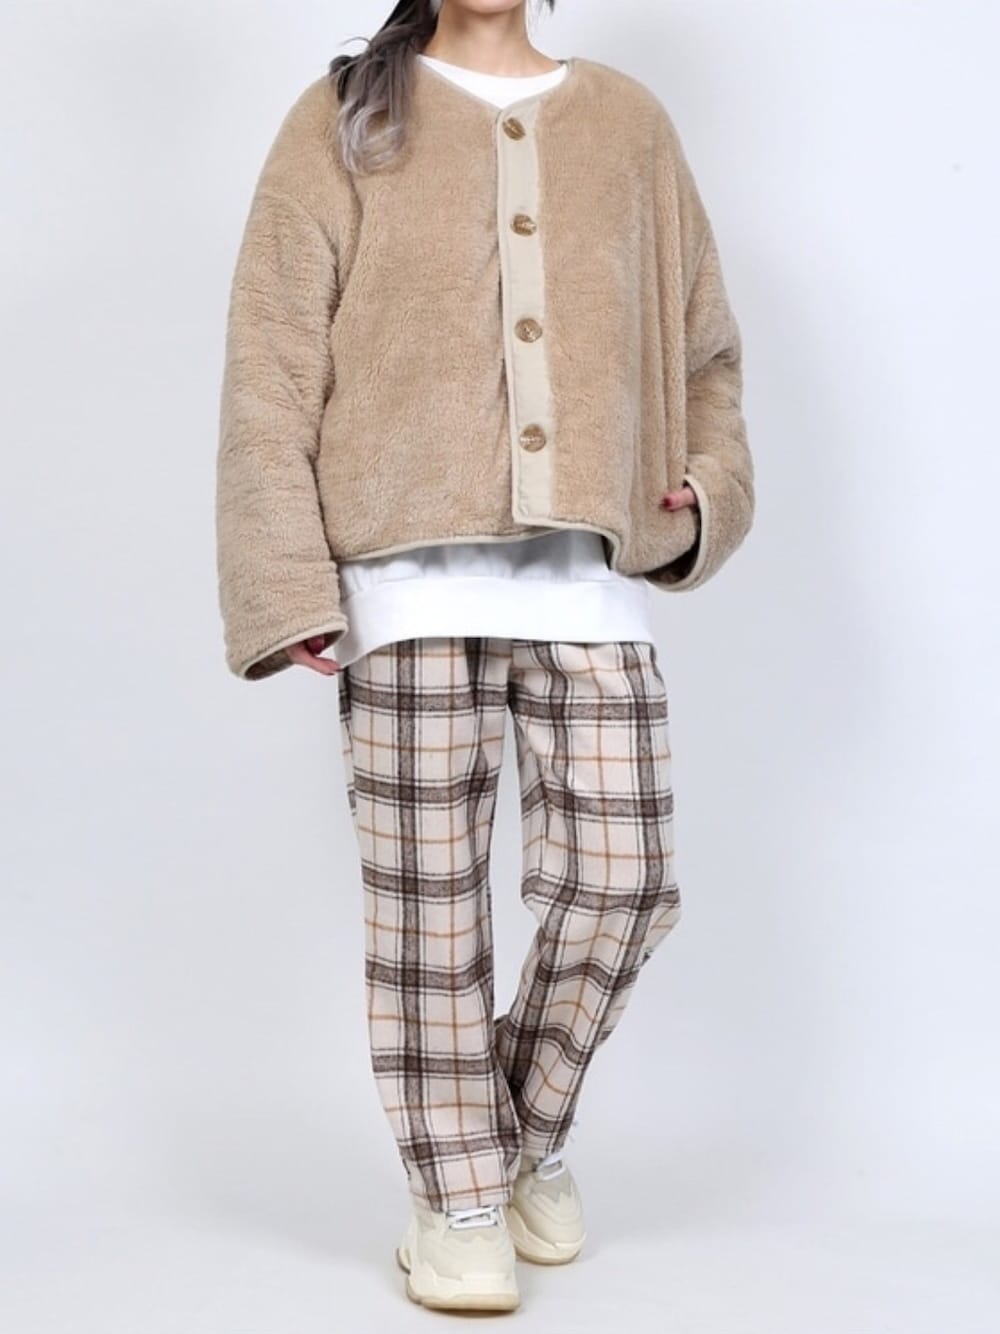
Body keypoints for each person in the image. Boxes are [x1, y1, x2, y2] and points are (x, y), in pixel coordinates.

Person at [214, 0, 754, 1313]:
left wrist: (705, 488)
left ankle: (516, 1135)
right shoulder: (345, 118)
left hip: (589, 580)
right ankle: (460, 1201)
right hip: (400, 584)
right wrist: (283, 575)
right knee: (429, 913)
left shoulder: (628, 125)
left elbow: (707, 352)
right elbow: (271, 361)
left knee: (624, 883)